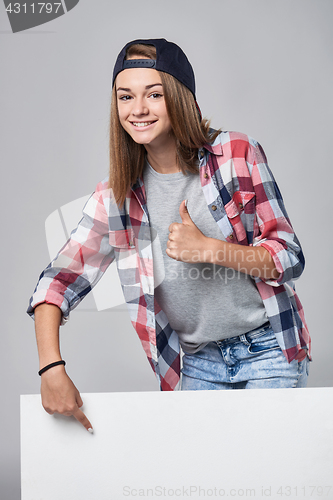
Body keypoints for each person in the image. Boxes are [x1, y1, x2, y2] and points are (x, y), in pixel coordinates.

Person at [27, 38, 311, 432]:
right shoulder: (117, 197)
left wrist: (212, 250)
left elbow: (288, 255)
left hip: (268, 350)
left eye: (154, 94)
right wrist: (50, 368)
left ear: (178, 97)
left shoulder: (236, 153)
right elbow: (56, 282)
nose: (138, 109)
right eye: (125, 97)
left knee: (265, 482)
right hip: (194, 365)